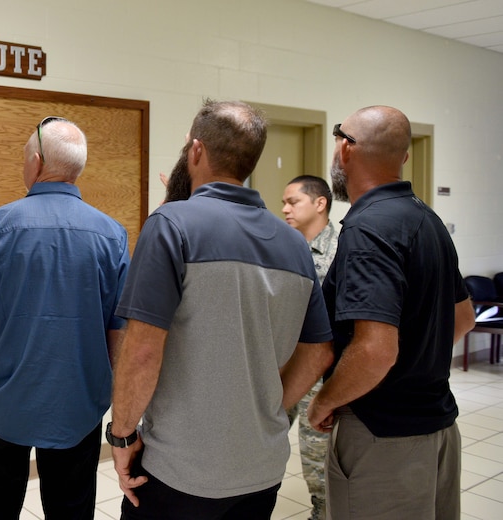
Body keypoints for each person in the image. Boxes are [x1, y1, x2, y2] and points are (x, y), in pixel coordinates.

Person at [108, 100, 334, 520]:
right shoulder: (295, 246)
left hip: (180, 471)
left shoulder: (171, 225)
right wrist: (265, 405)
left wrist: (121, 438)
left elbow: (141, 352)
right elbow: (319, 350)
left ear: (196, 151)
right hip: (261, 470)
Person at [0, 116, 130, 519]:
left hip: (0, 404)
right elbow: (119, 330)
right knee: (71, 510)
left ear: (35, 161)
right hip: (78, 406)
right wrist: (111, 395)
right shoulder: (112, 235)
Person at [307, 106, 477, 519]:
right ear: (402, 158)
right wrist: (416, 359)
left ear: (345, 148)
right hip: (438, 430)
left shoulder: (368, 229)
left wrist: (324, 401)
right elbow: (464, 318)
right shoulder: (426, 219)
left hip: (382, 438)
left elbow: (375, 350)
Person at [281, 174, 338, 520]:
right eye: (283, 202)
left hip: (321, 375)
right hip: (282, 368)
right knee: (263, 443)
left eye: (292, 202)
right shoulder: (284, 247)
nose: (284, 209)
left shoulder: (343, 251)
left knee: (318, 464)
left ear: (320, 203)